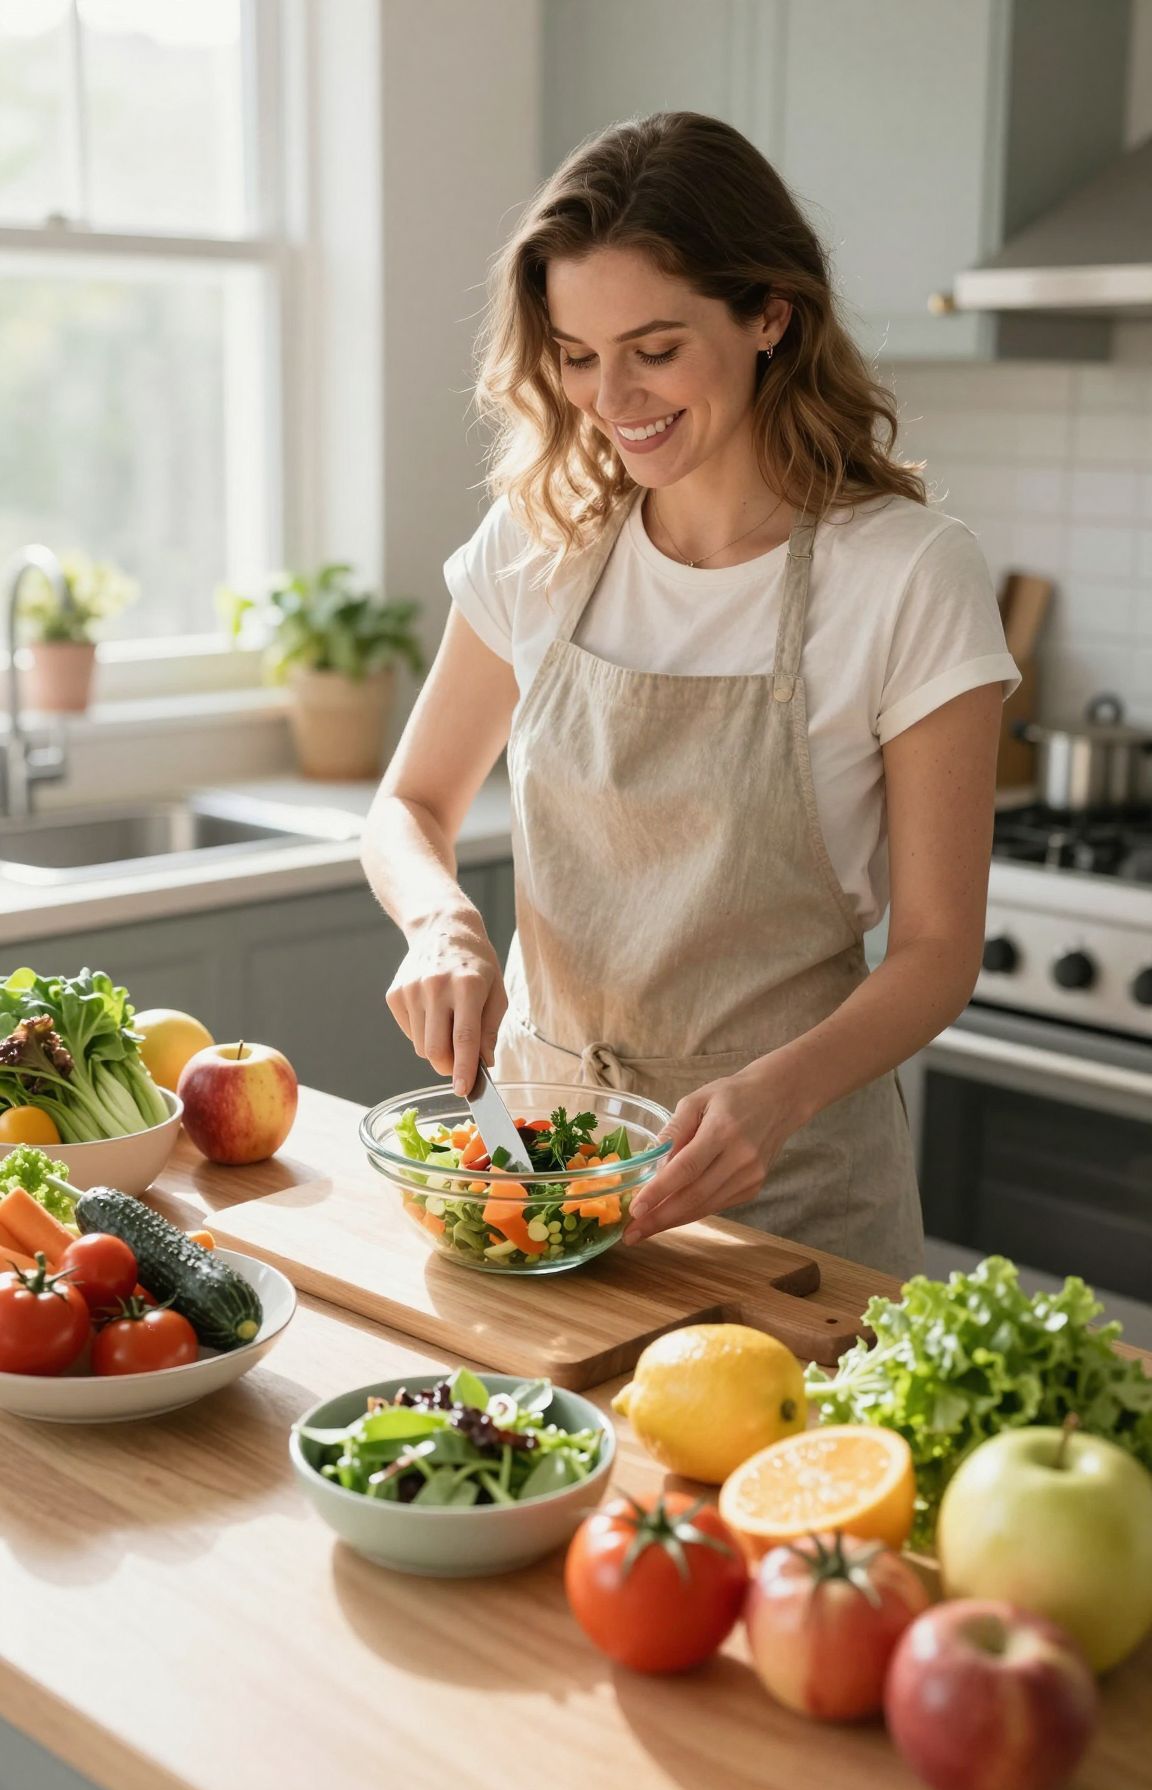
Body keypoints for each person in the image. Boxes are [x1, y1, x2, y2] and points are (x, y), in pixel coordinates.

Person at [360, 111, 1018, 1276]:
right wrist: (440, 922)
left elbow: (935, 947)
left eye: (654, 349)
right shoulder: (540, 539)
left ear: (771, 314)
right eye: (575, 354)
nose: (612, 398)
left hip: (788, 1186)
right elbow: (410, 804)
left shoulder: (909, 573)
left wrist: (772, 1097)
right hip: (536, 1175)